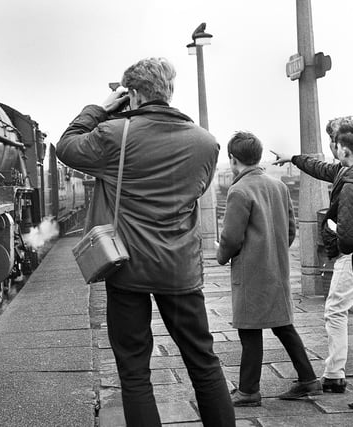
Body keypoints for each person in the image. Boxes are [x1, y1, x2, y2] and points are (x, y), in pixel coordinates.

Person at [56, 57, 235, 427]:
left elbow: (67, 146)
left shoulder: (114, 134)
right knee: (203, 362)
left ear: (133, 94)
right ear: (169, 91)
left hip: (127, 267)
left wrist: (101, 109)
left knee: (134, 372)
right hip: (180, 270)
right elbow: (196, 192)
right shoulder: (207, 143)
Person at [217, 131, 321, 407]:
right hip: (276, 268)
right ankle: (308, 379)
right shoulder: (278, 186)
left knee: (249, 329)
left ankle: (249, 391)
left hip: (251, 272)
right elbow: (290, 230)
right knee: (283, 325)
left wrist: (221, 255)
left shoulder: (239, 190)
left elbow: (231, 238)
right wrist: (273, 250)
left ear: (233, 159)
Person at [272, 116, 353, 397]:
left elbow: (349, 236)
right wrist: (293, 158)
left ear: (344, 148)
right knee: (339, 310)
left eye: (335, 143)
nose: (332, 148)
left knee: (335, 311)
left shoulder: (350, 182)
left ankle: (334, 375)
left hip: (350, 258)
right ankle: (334, 373)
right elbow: (320, 168)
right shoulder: (345, 172)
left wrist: (333, 231)